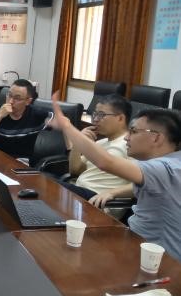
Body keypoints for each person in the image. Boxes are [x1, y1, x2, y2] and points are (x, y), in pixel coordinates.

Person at [49, 92, 181, 262]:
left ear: (156, 137)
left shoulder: (163, 168)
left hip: (155, 259)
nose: (127, 137)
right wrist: (114, 192)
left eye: (133, 131)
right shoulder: (172, 164)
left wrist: (67, 127)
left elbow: (106, 162)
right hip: (136, 243)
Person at [61, 94, 131, 200]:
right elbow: (75, 170)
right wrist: (78, 142)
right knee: (42, 181)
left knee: (44, 184)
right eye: (95, 114)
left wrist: (111, 193)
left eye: (101, 115)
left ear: (120, 118)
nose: (96, 120)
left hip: (97, 197)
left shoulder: (130, 145)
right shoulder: (100, 143)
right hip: (80, 191)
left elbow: (143, 183)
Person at [0, 79, 52, 158]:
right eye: (9, 95)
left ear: (28, 101)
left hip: (22, 162)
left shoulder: (36, 114)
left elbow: (58, 122)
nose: (10, 101)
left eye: (17, 98)